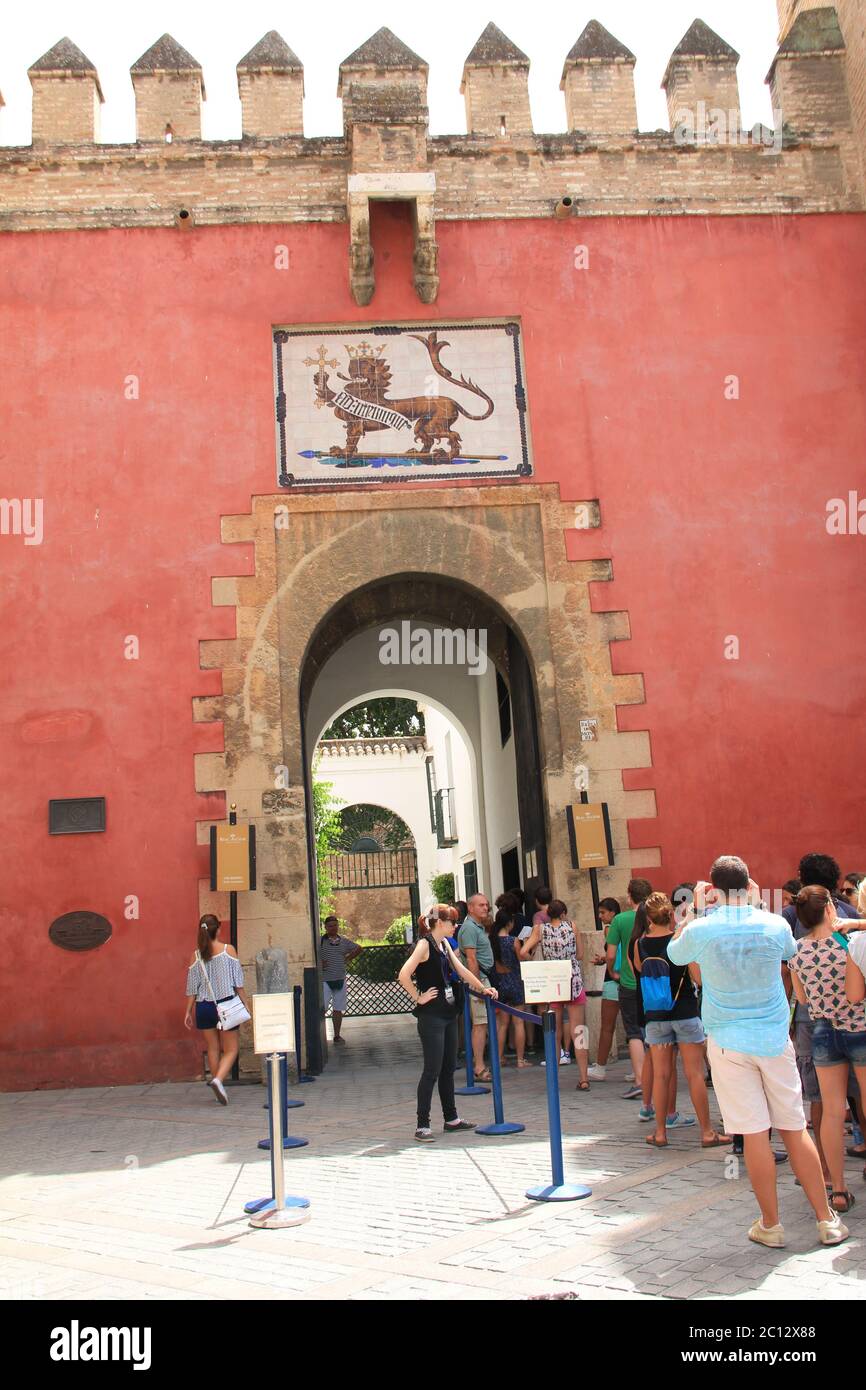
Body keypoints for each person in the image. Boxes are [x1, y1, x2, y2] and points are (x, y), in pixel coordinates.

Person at [668, 855, 848, 1248]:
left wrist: (694, 909)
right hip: (771, 1036)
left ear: (713, 889)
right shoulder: (773, 923)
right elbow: (787, 951)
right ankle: (825, 1218)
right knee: (794, 1128)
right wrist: (751, 904)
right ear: (749, 885)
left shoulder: (701, 927)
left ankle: (771, 1224)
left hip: (728, 1040)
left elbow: (676, 953)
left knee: (753, 1135)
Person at [782, 854, 860, 1180]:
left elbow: (799, 997)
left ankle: (833, 1182)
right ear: (830, 907)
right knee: (862, 1101)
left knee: (826, 1106)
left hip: (819, 1028)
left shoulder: (795, 944)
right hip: (858, 1026)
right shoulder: (849, 939)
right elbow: (857, 993)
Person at [633, 893, 729, 1150]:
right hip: (685, 1011)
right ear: (670, 915)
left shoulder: (640, 944)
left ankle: (661, 1131)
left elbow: (642, 971)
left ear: (648, 919)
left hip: (656, 1016)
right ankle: (707, 1132)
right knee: (695, 1074)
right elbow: (697, 978)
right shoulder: (682, 940)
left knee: (662, 1075)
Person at [398, 904, 498, 1141]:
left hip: (447, 1012)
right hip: (431, 1015)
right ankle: (422, 1125)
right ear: (440, 923)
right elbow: (403, 974)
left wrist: (483, 988)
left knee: (447, 1069)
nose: (455, 926)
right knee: (431, 1070)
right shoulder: (424, 944)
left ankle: (451, 1118)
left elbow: (461, 969)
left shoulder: (443, 944)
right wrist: (418, 997)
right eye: (452, 922)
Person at [521, 898, 589, 1087]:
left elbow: (523, 951)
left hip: (553, 982)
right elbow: (580, 954)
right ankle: (584, 1077)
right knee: (579, 1030)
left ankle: (554, 1078)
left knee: (554, 1032)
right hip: (573, 980)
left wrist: (540, 964)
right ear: (563, 913)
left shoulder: (540, 929)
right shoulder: (572, 926)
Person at [184, 913, 249, 1105]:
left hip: (203, 1006)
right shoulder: (228, 950)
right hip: (226, 1004)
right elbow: (238, 983)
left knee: (213, 1048)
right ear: (218, 929)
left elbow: (191, 987)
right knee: (231, 1049)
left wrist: (187, 1011)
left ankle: (216, 1084)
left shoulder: (195, 955)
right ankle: (219, 1080)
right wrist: (245, 1004)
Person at [606, 879, 653, 1100]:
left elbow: (611, 953)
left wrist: (612, 972)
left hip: (629, 981)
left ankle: (640, 1080)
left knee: (634, 1032)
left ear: (629, 896)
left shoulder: (620, 920)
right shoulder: (655, 915)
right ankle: (658, 1078)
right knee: (655, 1031)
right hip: (653, 980)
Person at [458, 892, 495, 1082]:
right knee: (480, 1024)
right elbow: (471, 959)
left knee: (482, 1024)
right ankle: (479, 1067)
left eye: (486, 905)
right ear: (470, 908)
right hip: (479, 980)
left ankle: (479, 1064)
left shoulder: (477, 927)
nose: (485, 908)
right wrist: (479, 986)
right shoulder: (470, 929)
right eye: (481, 905)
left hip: (482, 978)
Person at [489, 908, 529, 1066]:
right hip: (514, 980)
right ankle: (520, 1059)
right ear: (510, 923)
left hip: (500, 983)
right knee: (518, 1023)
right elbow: (521, 959)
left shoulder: (491, 940)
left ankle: (499, 1057)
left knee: (503, 1024)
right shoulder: (513, 940)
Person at [588, 896, 622, 1081]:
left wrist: (609, 967)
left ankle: (600, 1067)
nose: (600, 916)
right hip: (630, 978)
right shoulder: (629, 924)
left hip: (613, 980)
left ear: (612, 912)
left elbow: (612, 953)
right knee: (635, 1028)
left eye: (603, 912)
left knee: (607, 1027)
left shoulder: (610, 928)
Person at [320, 915, 362, 1046]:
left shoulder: (343, 941)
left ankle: (337, 1035)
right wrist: (320, 963)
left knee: (338, 1009)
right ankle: (319, 1036)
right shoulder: (320, 941)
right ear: (326, 927)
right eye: (331, 926)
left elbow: (359, 948)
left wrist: (348, 957)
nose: (333, 928)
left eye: (335, 925)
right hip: (325, 980)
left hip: (340, 979)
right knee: (323, 1007)